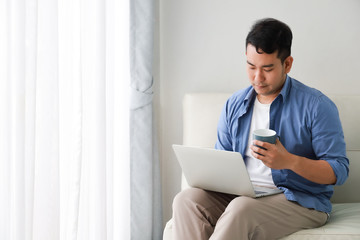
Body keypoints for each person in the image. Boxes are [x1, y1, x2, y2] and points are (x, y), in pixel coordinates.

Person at [172, 18, 349, 240]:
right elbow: (221, 158)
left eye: (267, 68)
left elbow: (339, 170)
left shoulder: (317, 106)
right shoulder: (234, 104)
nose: (257, 78)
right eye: (251, 66)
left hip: (300, 200)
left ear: (287, 64)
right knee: (186, 200)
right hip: (242, 195)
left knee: (241, 209)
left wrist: (289, 161)